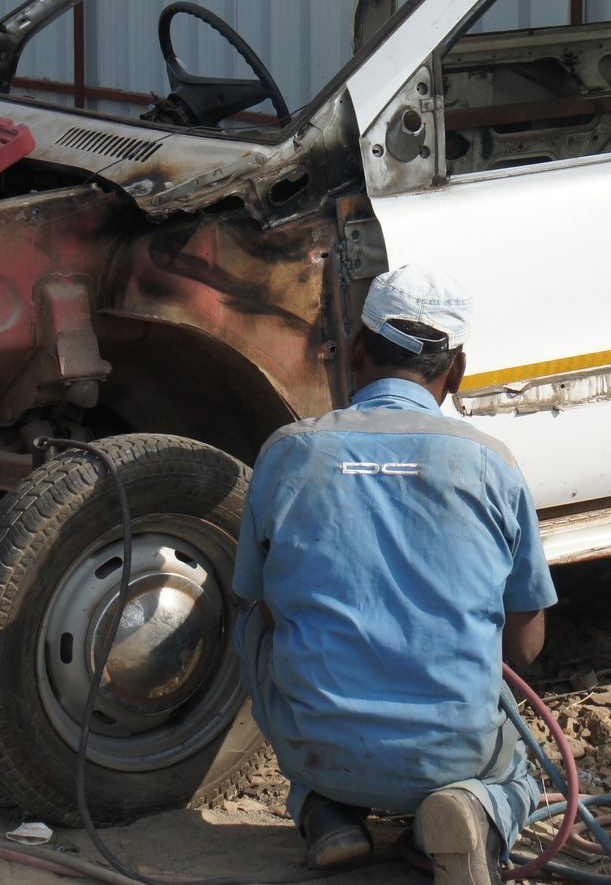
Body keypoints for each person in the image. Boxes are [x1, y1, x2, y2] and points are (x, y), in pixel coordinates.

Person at [234, 265, 557, 885]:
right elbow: (525, 645)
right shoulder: (491, 463)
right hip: (454, 752)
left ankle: (325, 810)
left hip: (318, 746)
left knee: (250, 612)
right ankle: (473, 809)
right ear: (456, 371)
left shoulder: (289, 451)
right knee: (517, 770)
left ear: (356, 351)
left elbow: (266, 607)